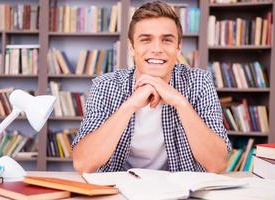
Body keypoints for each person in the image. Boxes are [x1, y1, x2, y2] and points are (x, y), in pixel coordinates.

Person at [71, 1, 231, 174]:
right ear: (132, 47)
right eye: (146, 40)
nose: (157, 49)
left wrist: (180, 103)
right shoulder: (106, 85)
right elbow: (83, 164)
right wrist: (129, 106)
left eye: (167, 40)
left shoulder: (199, 82)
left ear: (178, 49)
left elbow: (217, 164)